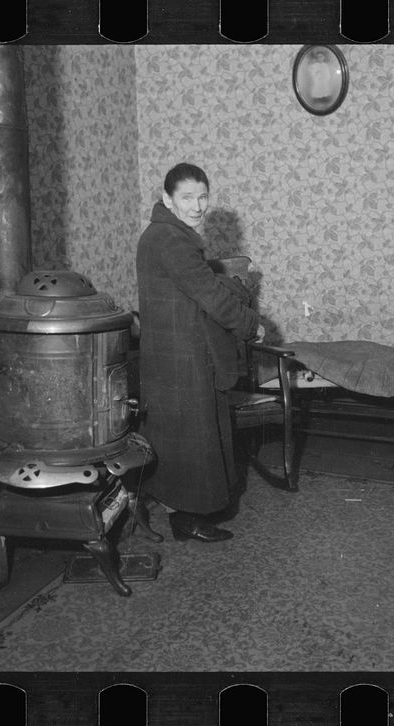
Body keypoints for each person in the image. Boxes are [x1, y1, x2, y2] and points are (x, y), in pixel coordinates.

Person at [136, 162, 262, 543]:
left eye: (202, 197)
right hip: (183, 355)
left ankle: (182, 511)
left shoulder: (163, 234)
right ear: (167, 199)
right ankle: (187, 519)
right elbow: (209, 296)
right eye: (187, 197)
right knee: (193, 437)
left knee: (182, 436)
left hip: (172, 352)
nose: (197, 206)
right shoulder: (172, 240)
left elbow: (203, 285)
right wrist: (251, 324)